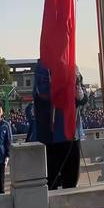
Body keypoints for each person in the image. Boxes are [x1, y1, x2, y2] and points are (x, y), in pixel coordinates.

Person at [33, 62, 88, 191]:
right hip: (52, 133)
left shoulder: (73, 65)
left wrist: (81, 94)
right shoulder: (43, 66)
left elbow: (83, 93)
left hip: (72, 131)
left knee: (72, 179)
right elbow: (43, 92)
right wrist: (67, 84)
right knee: (51, 181)